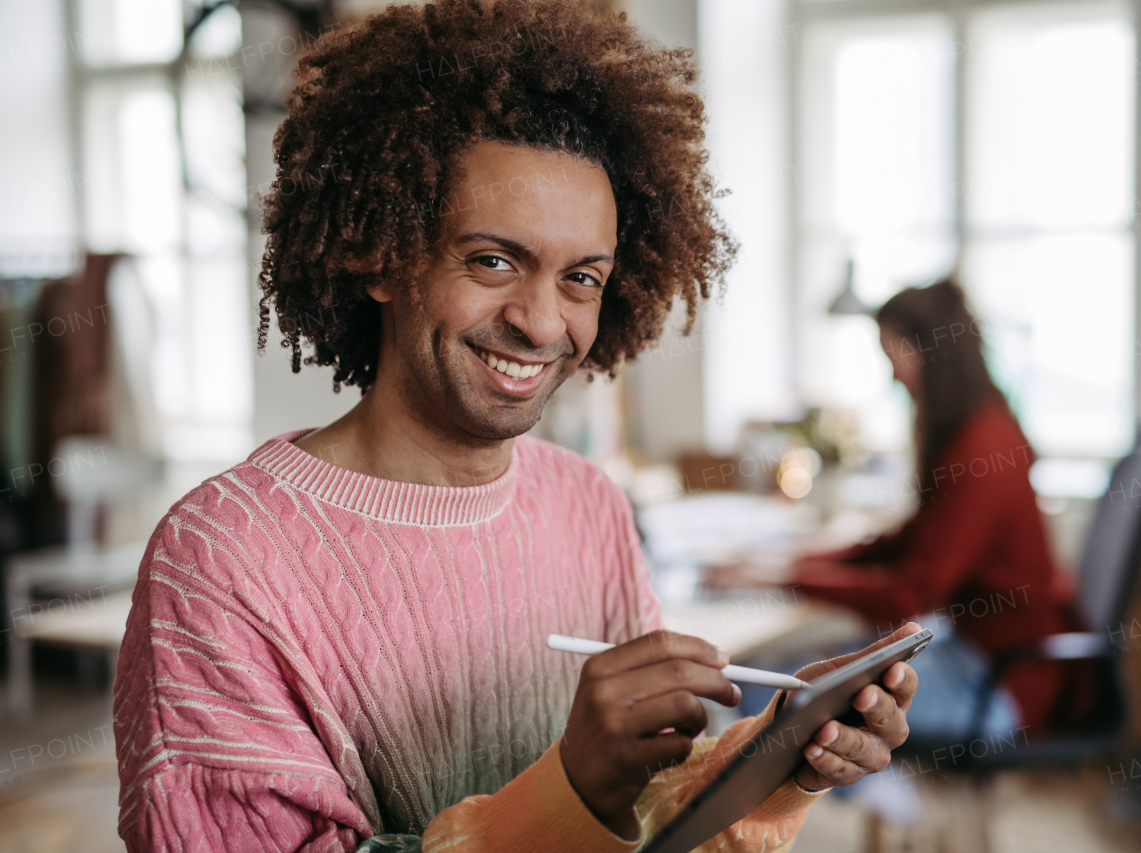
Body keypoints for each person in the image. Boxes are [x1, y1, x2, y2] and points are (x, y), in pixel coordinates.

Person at [112, 3, 920, 852]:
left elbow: (647, 821)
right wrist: (571, 788)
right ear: (386, 254)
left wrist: (779, 753)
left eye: (581, 277)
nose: (542, 323)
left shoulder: (588, 504)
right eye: (494, 260)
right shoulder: (219, 561)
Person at [718, 278, 1072, 741]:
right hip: (973, 654)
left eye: (893, 355)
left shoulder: (982, 452)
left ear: (928, 353)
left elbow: (908, 596)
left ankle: (879, 795)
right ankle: (882, 797)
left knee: (766, 693)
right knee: (787, 673)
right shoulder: (982, 431)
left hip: (996, 683)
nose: (892, 375)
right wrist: (795, 563)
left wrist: (789, 578)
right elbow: (908, 543)